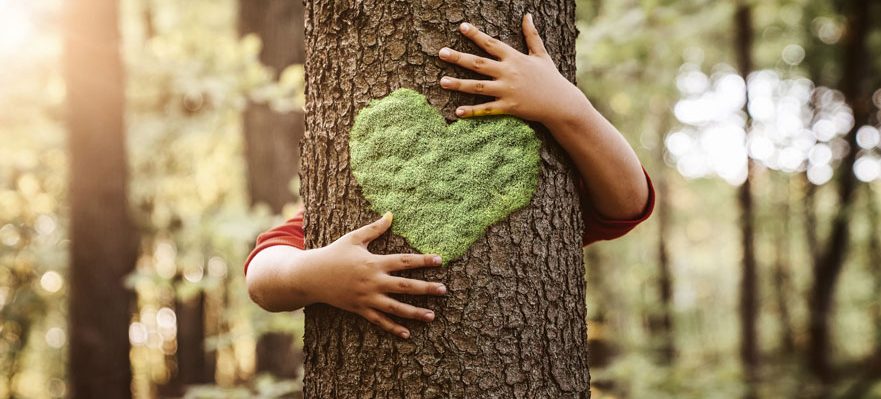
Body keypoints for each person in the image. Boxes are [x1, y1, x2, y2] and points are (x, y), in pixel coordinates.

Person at [244, 14, 654, 340]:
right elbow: (263, 275)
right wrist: (314, 274)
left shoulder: (551, 183)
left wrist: (567, 106)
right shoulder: (350, 203)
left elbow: (629, 202)